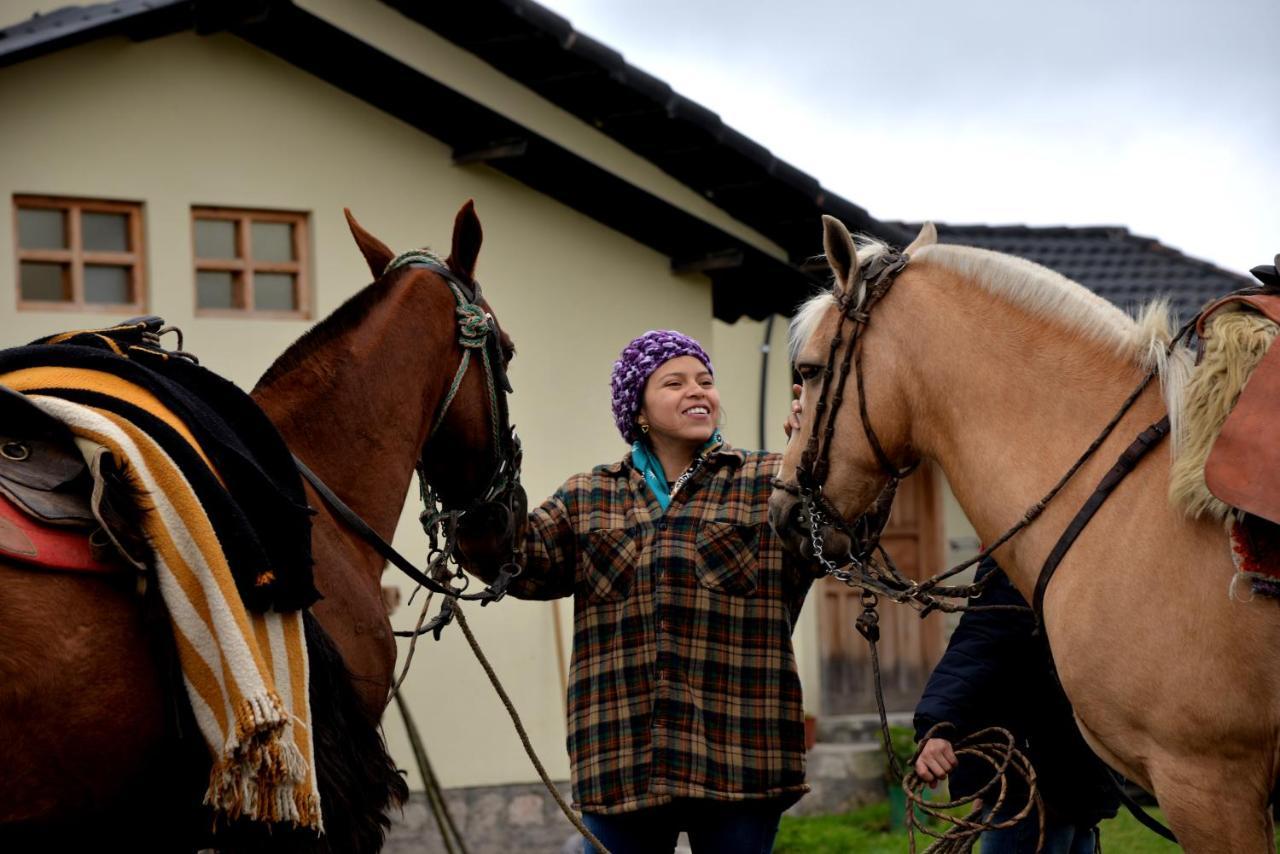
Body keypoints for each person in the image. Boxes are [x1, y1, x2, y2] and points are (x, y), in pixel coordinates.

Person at [456, 330, 817, 854]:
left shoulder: (769, 482)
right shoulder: (588, 496)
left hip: (742, 756)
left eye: (706, 381)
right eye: (674, 382)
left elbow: (839, 536)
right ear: (639, 411)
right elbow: (517, 562)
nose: (698, 391)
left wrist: (819, 450)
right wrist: (469, 477)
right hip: (621, 760)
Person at [913, 559, 1119, 853]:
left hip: (1054, 783)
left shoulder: (1036, 557)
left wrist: (937, 725)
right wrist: (937, 725)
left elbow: (980, 642)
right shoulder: (1080, 558)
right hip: (1058, 783)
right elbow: (981, 644)